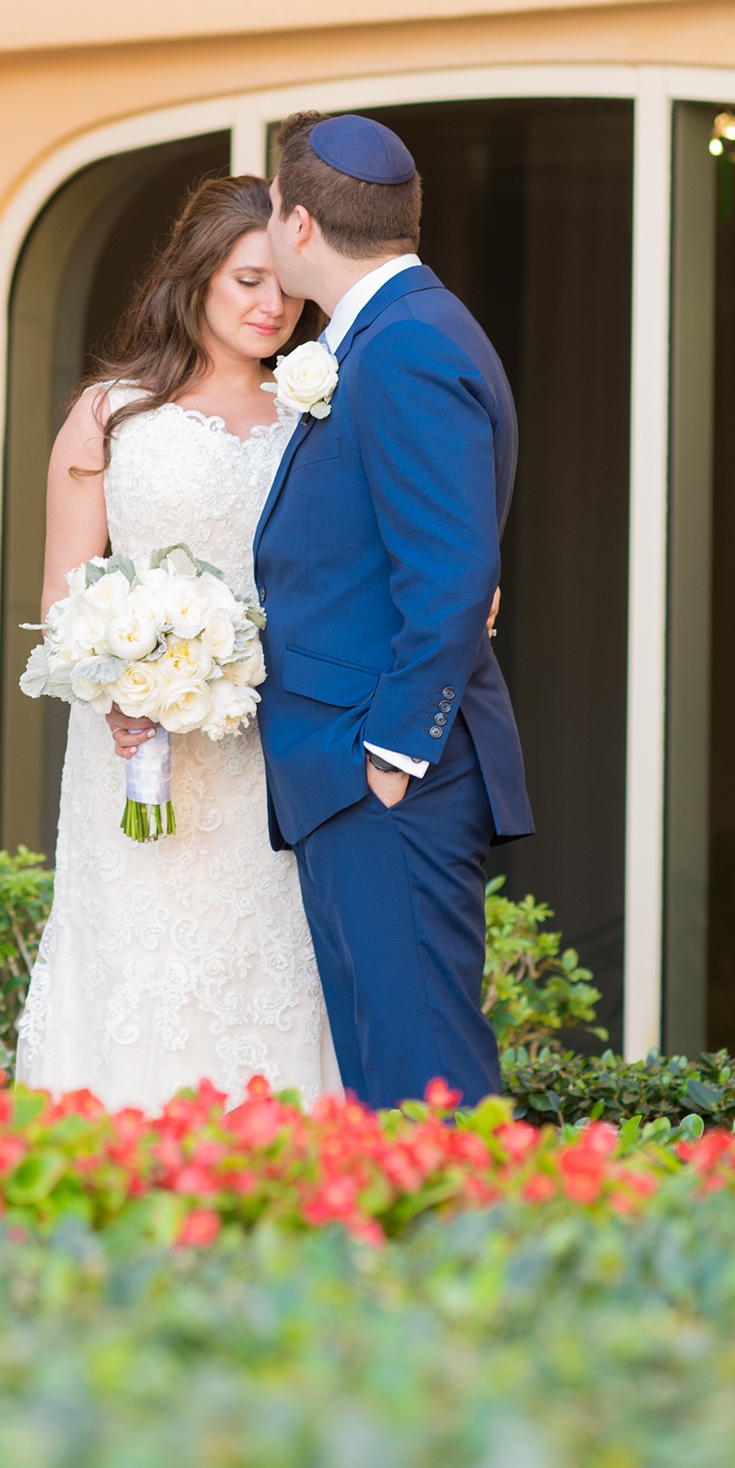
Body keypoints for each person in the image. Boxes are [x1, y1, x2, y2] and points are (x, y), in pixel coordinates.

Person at [16, 174, 343, 1108]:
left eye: (285, 282)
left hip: (267, 747)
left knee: (268, 959)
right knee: (135, 954)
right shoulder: (111, 413)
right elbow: (64, 595)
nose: (271, 304)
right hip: (134, 746)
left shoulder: (314, 414)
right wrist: (121, 689)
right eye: (247, 280)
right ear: (196, 276)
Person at [254, 112, 532, 1108]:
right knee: (385, 1088)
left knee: (425, 1087)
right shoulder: (387, 331)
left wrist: (389, 756)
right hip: (343, 772)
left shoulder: (404, 342)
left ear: (295, 225)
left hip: (385, 777)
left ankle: (471, 1259)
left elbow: (453, 571)